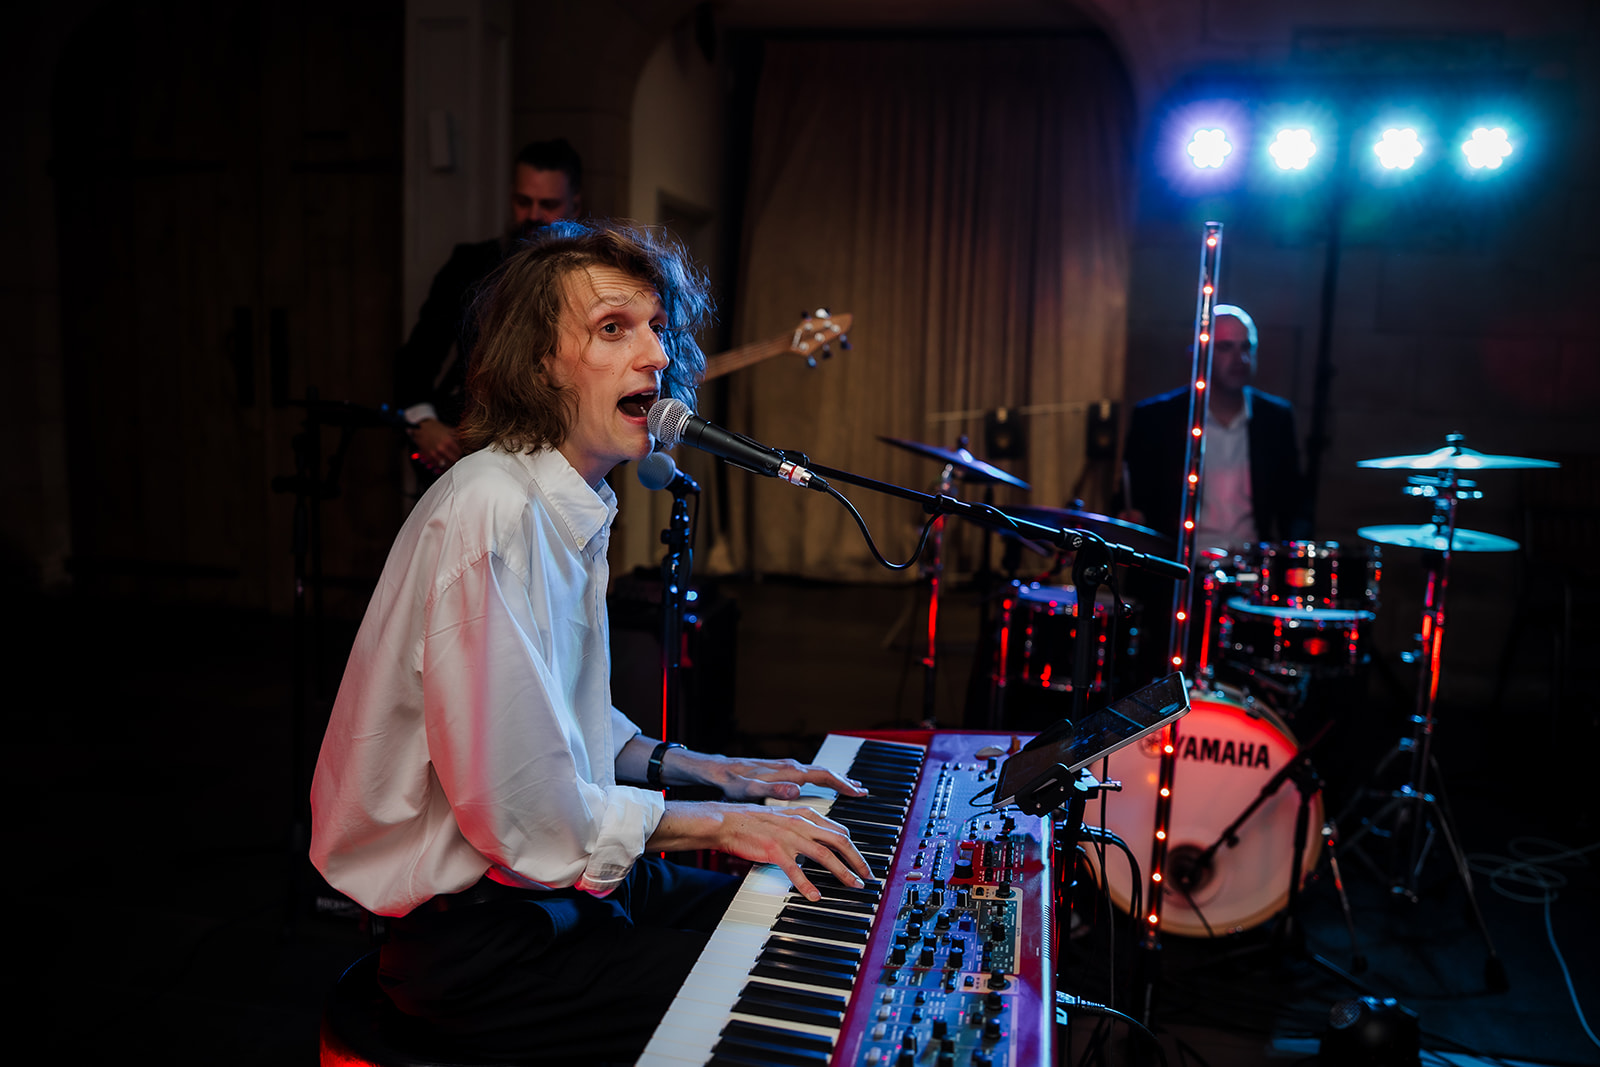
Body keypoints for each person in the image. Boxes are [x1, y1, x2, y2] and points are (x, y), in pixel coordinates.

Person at [312, 221, 872, 1063]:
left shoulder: (562, 499)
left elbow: (550, 720)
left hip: (548, 891)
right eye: (614, 328)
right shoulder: (490, 510)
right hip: (480, 943)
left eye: (656, 327)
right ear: (539, 362)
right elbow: (526, 812)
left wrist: (703, 768)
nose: (654, 355)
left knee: (827, 920)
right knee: (789, 1001)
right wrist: (725, 823)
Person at [397, 138, 586, 475]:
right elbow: (417, 357)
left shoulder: (593, 279)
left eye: (549, 204)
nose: (533, 215)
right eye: (522, 201)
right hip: (473, 449)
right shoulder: (469, 265)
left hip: (565, 456)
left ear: (575, 205)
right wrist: (422, 421)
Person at [1120, 304, 1310, 549]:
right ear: (1198, 354)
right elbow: (1134, 500)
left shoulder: (1275, 418)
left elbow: (1294, 504)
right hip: (1178, 569)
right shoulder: (1156, 418)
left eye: (1246, 347)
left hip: (1249, 568)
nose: (1240, 359)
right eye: (1225, 347)